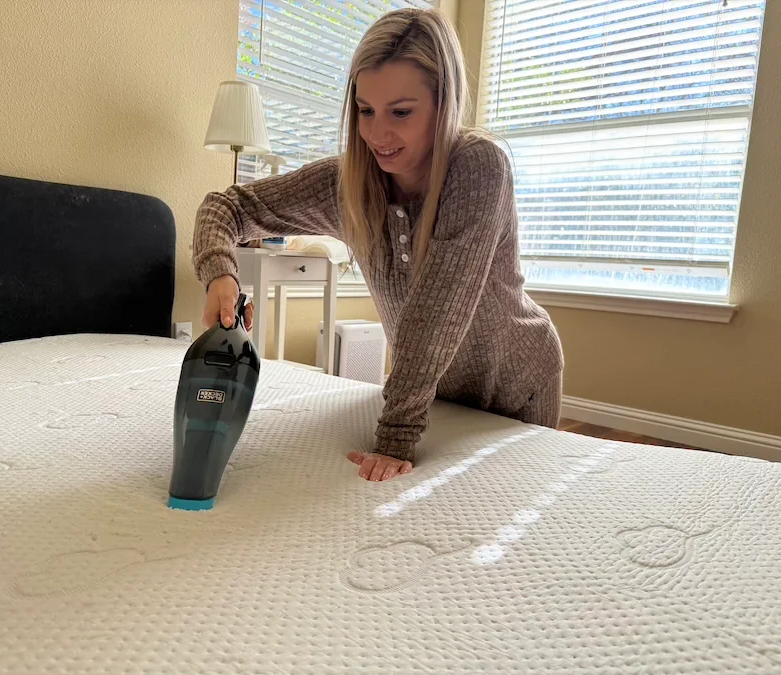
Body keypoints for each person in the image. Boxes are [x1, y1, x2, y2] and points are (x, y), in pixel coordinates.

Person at [191, 7, 564, 482]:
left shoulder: (478, 167)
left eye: (401, 112)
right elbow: (225, 208)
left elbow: (439, 310)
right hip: (439, 395)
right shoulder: (346, 183)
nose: (377, 134)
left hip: (519, 386)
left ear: (443, 102)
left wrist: (394, 437)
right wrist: (220, 272)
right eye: (365, 111)